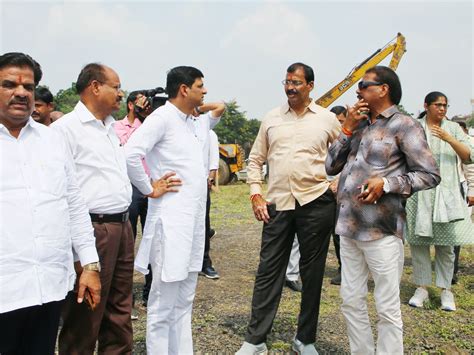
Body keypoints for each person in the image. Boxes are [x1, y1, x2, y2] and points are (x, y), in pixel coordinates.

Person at [326, 66, 441, 355]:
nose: (358, 91)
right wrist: (347, 127)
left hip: (381, 231)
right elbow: (330, 166)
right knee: (351, 300)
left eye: (364, 85)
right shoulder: (360, 125)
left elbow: (429, 174)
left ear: (383, 89)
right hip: (348, 228)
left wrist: (387, 183)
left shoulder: (404, 125)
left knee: (387, 307)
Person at [0, 52, 100, 354]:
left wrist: (91, 265)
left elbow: (74, 205)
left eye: (28, 87)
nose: (21, 92)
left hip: (49, 285)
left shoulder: (52, 140)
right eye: (9, 84)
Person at [237, 62, 340, 355]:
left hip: (316, 201)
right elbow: (255, 159)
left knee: (313, 273)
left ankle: (304, 339)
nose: (291, 87)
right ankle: (255, 340)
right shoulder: (272, 118)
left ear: (310, 86)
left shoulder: (327, 119)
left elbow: (349, 155)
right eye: (287, 82)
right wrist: (256, 194)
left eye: (296, 82)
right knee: (269, 270)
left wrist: (337, 183)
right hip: (277, 204)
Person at [125, 66, 219, 354]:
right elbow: (130, 153)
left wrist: (197, 106)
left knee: (185, 300)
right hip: (170, 223)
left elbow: (220, 108)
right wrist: (149, 187)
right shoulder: (162, 118)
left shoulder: (194, 122)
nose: (205, 92)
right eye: (200, 86)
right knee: (163, 302)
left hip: (192, 225)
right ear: (183, 89)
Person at [53, 63, 135, 354]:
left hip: (122, 227)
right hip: (92, 230)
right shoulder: (65, 130)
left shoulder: (110, 127)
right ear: (95, 86)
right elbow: (61, 192)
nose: (121, 93)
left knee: (120, 313)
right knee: (86, 316)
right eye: (116, 86)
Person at [406, 92, 473, 311]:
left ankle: (446, 291)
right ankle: (422, 287)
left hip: (447, 193)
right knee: (419, 244)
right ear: (426, 105)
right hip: (419, 193)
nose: (442, 109)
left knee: (446, 246)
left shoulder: (452, 128)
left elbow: (468, 156)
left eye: (445, 105)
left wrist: (449, 138)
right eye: (438, 105)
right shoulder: (414, 126)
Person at [114, 90, 154, 311]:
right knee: (126, 244)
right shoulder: (116, 128)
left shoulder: (150, 126)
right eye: (140, 101)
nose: (145, 105)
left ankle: (149, 295)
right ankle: (125, 298)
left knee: (152, 241)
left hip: (150, 187)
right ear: (131, 105)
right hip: (128, 189)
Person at [201, 125, 225, 279]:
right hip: (180, 186)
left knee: (203, 223)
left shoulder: (209, 133)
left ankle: (205, 263)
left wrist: (210, 177)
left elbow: (214, 160)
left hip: (201, 185)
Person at [452, 121, 474, 284]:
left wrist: (472, 191)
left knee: (456, 233)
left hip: (459, 186)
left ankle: (452, 270)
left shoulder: (465, 142)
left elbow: (470, 169)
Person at [327, 105, 347, 286]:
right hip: (322, 190)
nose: (338, 125)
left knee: (340, 233)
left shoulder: (350, 140)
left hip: (342, 191)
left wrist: (338, 181)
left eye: (341, 121)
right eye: (335, 121)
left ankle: (345, 269)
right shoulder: (322, 138)